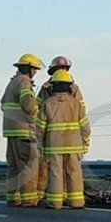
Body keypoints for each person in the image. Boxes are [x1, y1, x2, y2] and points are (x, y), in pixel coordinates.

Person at [37, 70, 90, 209]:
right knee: (75, 173)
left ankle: (55, 202)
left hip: (53, 146)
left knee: (55, 173)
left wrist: (40, 145)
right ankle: (77, 202)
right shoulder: (76, 103)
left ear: (53, 85)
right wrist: (85, 142)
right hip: (74, 146)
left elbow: (40, 128)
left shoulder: (47, 103)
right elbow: (85, 126)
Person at [1, 53, 42, 207]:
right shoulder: (25, 82)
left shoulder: (12, 82)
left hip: (10, 131)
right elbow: (28, 104)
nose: (36, 72)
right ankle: (29, 199)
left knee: (13, 166)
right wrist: (33, 118)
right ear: (29, 69)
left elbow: (2, 103)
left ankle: (13, 197)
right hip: (23, 130)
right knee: (28, 166)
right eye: (34, 69)